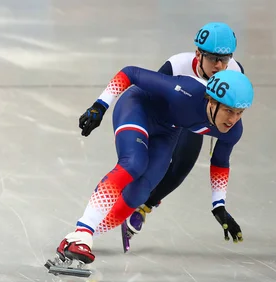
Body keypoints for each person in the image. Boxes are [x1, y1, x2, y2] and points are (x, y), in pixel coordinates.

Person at [55, 66, 254, 266]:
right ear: (211, 101)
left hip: (169, 129)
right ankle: (83, 232)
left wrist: (218, 204)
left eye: (239, 113)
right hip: (137, 107)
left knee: (140, 193)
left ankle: (76, 240)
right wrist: (100, 105)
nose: (233, 119)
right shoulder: (186, 91)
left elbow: (220, 162)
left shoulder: (233, 130)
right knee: (134, 164)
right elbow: (131, 73)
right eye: (229, 110)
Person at [122, 22, 245, 244]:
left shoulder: (235, 72)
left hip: (198, 119)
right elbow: (149, 101)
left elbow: (223, 150)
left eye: (224, 59)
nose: (219, 65)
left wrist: (219, 204)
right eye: (212, 58)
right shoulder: (176, 65)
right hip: (170, 115)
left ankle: (144, 207)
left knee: (182, 166)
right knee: (153, 162)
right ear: (198, 54)